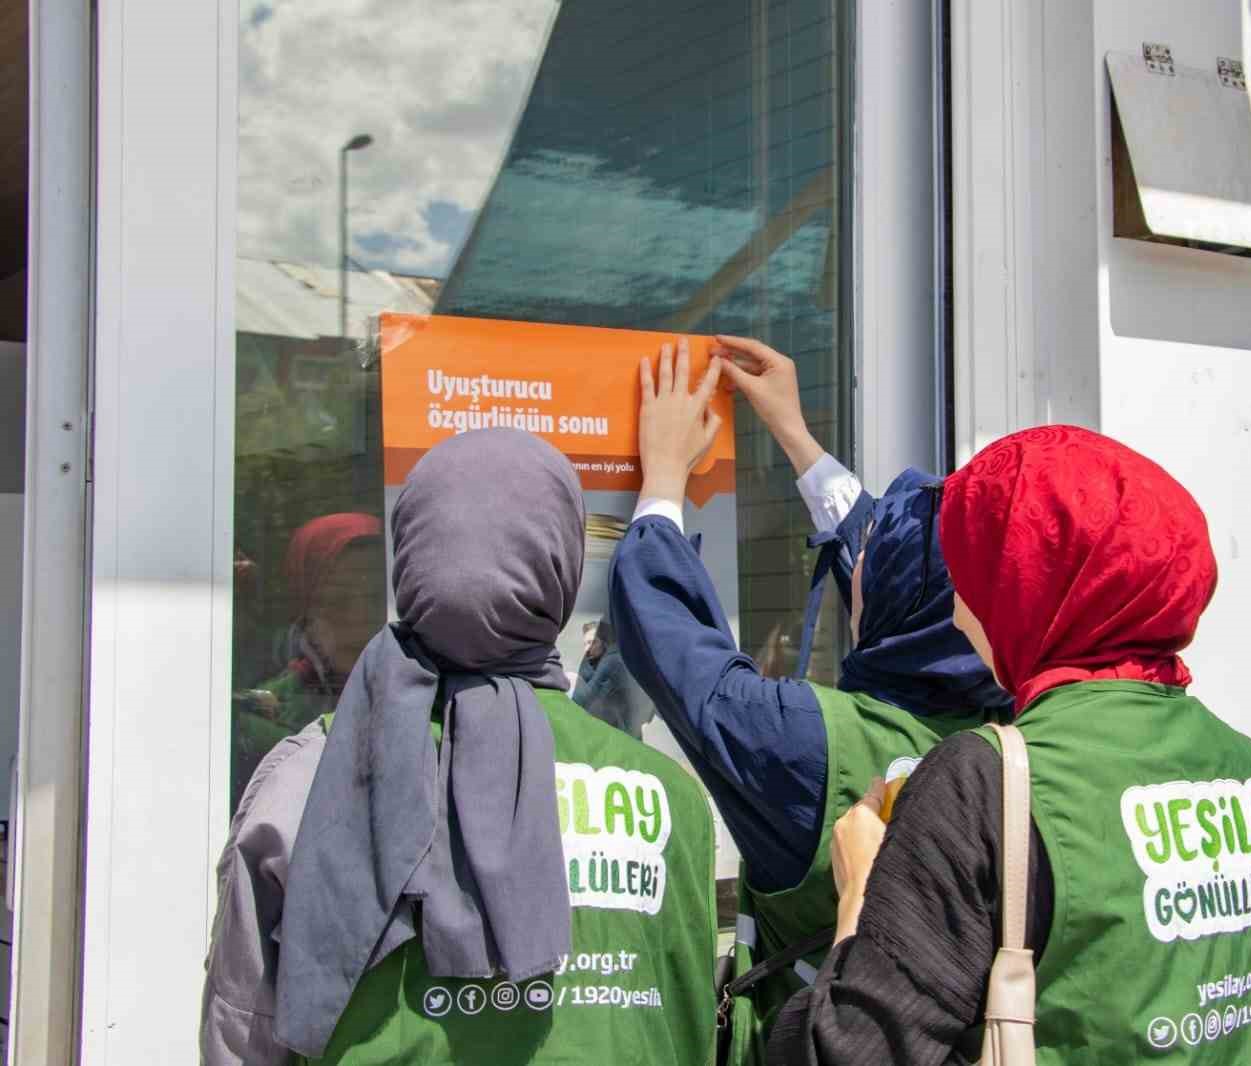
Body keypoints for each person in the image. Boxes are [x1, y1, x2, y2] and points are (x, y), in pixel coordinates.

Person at [768, 425, 1251, 1065]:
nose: (957, 611)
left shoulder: (985, 777)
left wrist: (860, 894)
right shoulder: (1250, 768)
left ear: (1032, 591)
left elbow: (848, 1052)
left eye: (976, 572)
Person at [201, 429, 717, 1065]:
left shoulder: (307, 781)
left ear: (412, 562)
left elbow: (241, 1032)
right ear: (562, 566)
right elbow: (692, 1029)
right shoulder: (670, 800)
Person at [609, 337, 1011, 1062]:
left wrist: (663, 477)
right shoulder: (1010, 735)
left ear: (887, 599)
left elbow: (669, 640)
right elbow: (919, 569)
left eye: (871, 567)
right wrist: (796, 438)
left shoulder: (805, 743)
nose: (855, 566)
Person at [231, 513, 386, 808]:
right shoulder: (263, 715)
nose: (358, 619)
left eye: (375, 599)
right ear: (306, 610)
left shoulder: (430, 700)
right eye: (338, 601)